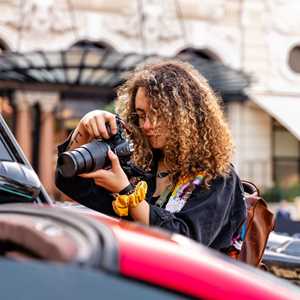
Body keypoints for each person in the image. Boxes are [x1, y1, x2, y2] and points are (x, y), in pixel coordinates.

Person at [55, 60, 246, 253]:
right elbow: (69, 181)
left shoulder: (217, 175)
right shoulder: (142, 165)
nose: (146, 125)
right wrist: (83, 128)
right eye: (141, 114)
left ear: (186, 116)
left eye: (159, 114)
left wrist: (127, 192)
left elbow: (185, 240)